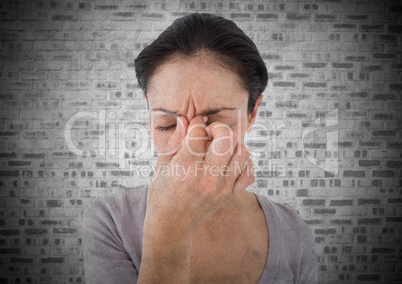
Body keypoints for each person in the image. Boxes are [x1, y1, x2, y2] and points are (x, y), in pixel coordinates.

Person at [82, 12, 317, 284]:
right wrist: (170, 227)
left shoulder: (294, 235)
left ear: (252, 113)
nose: (189, 146)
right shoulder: (111, 221)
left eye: (215, 119)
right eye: (167, 124)